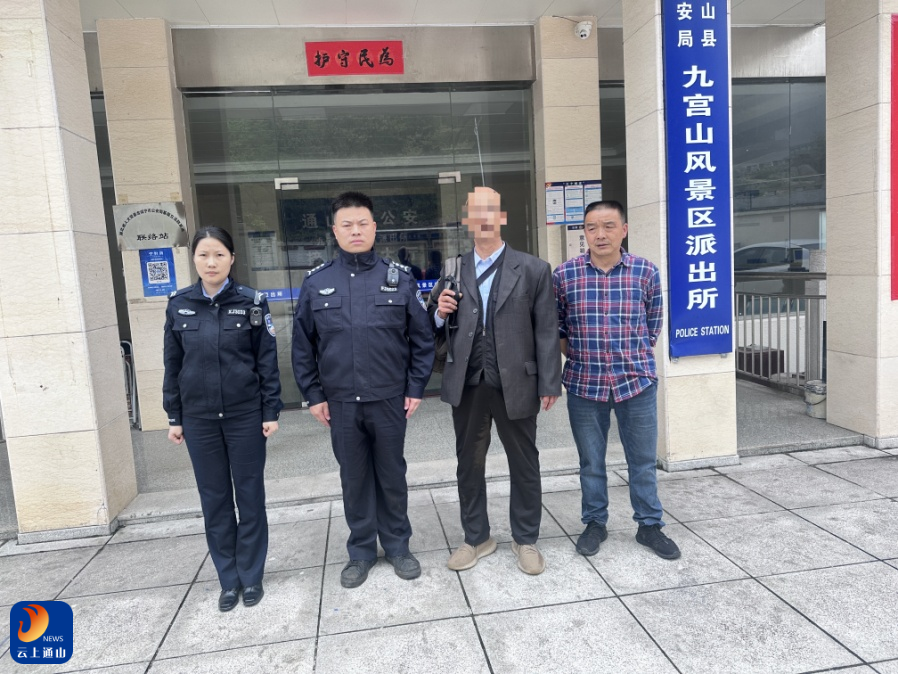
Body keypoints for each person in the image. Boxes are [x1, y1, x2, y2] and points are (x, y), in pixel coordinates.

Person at [292, 191, 434, 589]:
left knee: (392, 475)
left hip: (389, 398)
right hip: (340, 402)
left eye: (362, 224)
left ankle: (398, 546)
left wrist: (416, 387)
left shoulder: (399, 278)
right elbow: (302, 345)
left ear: (374, 227)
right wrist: (314, 395)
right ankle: (361, 552)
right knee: (354, 479)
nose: (355, 231)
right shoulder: (317, 282)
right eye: (347, 225)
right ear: (335, 231)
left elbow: (422, 340)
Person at [429, 186, 561, 575]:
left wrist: (549, 382)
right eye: (475, 211)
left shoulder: (533, 269)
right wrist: (438, 312)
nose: (483, 217)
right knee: (469, 464)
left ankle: (526, 539)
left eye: (490, 210)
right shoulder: (453, 269)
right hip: (468, 382)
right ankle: (476, 538)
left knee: (524, 462)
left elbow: (546, 330)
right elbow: (429, 323)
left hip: (517, 381)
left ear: (502, 217)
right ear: (466, 220)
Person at [163, 226, 283, 612]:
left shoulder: (251, 302)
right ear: (194, 260)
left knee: (250, 497)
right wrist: (174, 416)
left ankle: (251, 575)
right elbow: (172, 365)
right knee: (214, 500)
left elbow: (266, 362)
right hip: (199, 420)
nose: (211, 262)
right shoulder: (179, 304)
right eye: (203, 255)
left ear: (232, 258)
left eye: (219, 254)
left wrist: (270, 411)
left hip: (244, 416)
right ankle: (228, 580)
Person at [553, 200, 681, 560]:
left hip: (635, 383)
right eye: (592, 227)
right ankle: (595, 523)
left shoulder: (645, 272)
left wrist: (630, 356)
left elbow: (653, 324)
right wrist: (583, 355)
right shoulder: (564, 275)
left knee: (642, 461)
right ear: (585, 232)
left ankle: (649, 525)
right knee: (591, 463)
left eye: (608, 226)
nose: (600, 234)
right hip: (585, 383)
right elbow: (558, 327)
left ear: (623, 230)